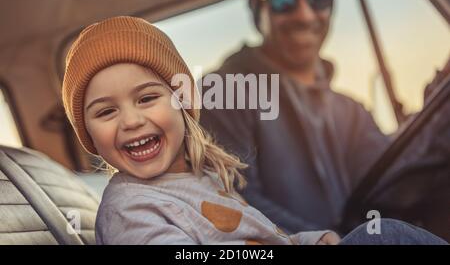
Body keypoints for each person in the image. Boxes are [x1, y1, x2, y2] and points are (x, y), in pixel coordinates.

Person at [60, 16, 447, 245]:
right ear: (88, 134)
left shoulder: (204, 179)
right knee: (382, 237)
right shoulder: (128, 210)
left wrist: (306, 239)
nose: (130, 120)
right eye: (106, 111)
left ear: (182, 100)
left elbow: (259, 239)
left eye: (146, 99)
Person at [200, 0, 391, 234]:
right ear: (258, 9)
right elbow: (234, 200)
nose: (304, 15)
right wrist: (324, 241)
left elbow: (392, 185)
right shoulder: (224, 92)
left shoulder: (350, 111)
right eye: (283, 1)